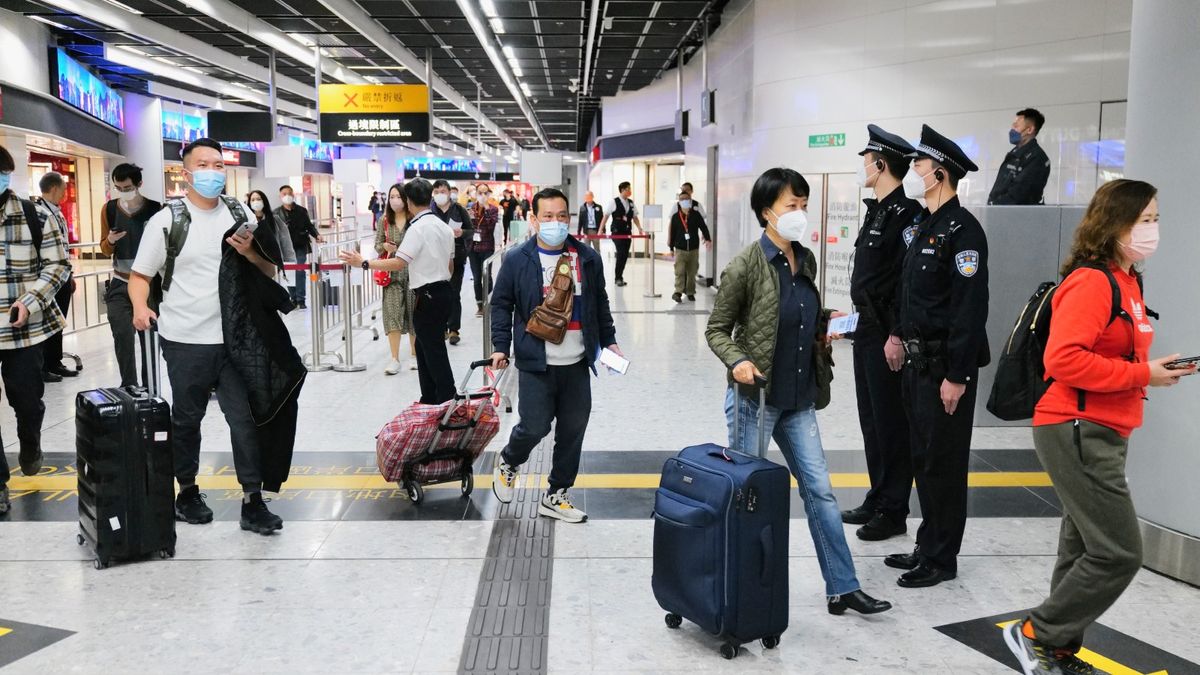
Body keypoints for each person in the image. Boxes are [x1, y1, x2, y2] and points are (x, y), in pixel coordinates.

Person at [1003, 180, 1195, 675]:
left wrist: (1154, 371)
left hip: (1105, 428)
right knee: (1119, 552)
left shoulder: (1128, 280)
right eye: (1144, 219)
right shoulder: (1093, 281)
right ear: (1114, 223)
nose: (1153, 229)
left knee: (1084, 544)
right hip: (1076, 426)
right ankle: (1033, 634)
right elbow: (1063, 360)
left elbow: (1116, 354)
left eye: (1156, 218)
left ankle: (1056, 650)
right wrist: (1140, 374)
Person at [705, 167, 892, 617]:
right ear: (767, 211)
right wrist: (739, 361)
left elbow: (797, 313)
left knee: (821, 492)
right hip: (758, 402)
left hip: (800, 397)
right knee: (748, 496)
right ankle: (738, 589)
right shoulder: (744, 266)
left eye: (804, 205)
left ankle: (842, 587)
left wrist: (828, 322)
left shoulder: (804, 260)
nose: (800, 213)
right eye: (792, 205)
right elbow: (717, 330)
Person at [131, 138, 304, 536]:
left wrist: (250, 253)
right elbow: (141, 276)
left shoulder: (238, 211)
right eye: (204, 164)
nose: (213, 171)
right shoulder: (166, 221)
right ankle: (187, 491)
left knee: (244, 419)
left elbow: (268, 270)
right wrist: (141, 307)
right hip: (185, 338)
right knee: (187, 419)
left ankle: (252, 499)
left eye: (218, 164)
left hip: (237, 338)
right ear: (186, 173)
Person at [885, 124, 990, 588]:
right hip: (914, 363)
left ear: (940, 173)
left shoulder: (964, 232)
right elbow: (910, 296)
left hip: (945, 370)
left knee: (944, 463)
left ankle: (942, 558)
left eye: (921, 164)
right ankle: (927, 543)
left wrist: (959, 375)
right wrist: (894, 335)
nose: (915, 170)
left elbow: (969, 310)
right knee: (923, 457)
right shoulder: (925, 227)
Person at [488, 187, 622, 524]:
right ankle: (509, 460)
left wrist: (610, 342)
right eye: (547, 216)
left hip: (577, 362)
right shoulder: (518, 259)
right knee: (534, 425)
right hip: (537, 362)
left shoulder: (587, 258)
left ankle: (557, 494)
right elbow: (501, 305)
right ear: (533, 219)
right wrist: (500, 346)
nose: (556, 222)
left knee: (573, 429)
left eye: (562, 216)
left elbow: (599, 303)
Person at [840, 125, 922, 542]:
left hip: (887, 333)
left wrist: (897, 334)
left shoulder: (908, 216)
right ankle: (878, 495)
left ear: (881, 164)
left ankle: (893, 509)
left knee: (891, 422)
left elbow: (906, 284)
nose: (863, 166)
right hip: (866, 328)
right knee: (871, 420)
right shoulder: (877, 210)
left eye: (866, 160)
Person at [340, 179, 456, 403]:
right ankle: (430, 398)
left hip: (428, 296)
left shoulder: (418, 228)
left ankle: (446, 400)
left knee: (432, 351)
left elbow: (398, 263)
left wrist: (364, 263)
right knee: (425, 348)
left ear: (409, 201)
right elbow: (450, 265)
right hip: (443, 292)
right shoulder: (443, 227)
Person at [0, 144, 70, 514]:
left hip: (22, 329)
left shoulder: (34, 215)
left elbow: (59, 266)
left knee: (26, 399)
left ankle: (30, 443)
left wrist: (29, 301)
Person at [100, 163, 163, 388]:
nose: (123, 191)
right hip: (120, 282)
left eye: (127, 187)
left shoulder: (157, 210)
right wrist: (110, 241)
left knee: (149, 340)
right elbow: (104, 248)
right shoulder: (109, 209)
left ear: (139, 184)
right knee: (122, 338)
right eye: (118, 187)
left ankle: (151, 388)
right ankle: (129, 386)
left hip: (148, 284)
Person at [34, 172, 79, 382]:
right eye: (62, 189)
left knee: (59, 321)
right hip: (48, 277)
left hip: (62, 275)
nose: (64, 193)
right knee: (47, 322)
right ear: (54, 188)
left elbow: (64, 247)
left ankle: (55, 361)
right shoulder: (38, 213)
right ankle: (43, 366)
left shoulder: (57, 213)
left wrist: (70, 274)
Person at [374, 183, 417, 375]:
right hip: (391, 273)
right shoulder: (385, 220)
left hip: (414, 272)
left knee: (413, 312)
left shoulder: (414, 219)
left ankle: (415, 354)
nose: (394, 200)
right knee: (392, 313)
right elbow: (377, 246)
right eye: (391, 196)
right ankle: (394, 358)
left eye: (398, 196)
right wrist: (385, 246)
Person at [429, 179, 473, 345]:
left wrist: (461, 232)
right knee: (437, 293)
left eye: (443, 191)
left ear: (449, 193)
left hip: (456, 256)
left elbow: (471, 231)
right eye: (437, 192)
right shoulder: (429, 211)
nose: (440, 195)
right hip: (434, 257)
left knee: (454, 293)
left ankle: (454, 328)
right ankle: (441, 327)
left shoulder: (459, 210)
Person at [988, 108, 1051, 205]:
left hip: (1016, 215)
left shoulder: (1037, 158)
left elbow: (1018, 195)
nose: (1011, 130)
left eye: (1016, 126)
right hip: (998, 211)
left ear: (1029, 130)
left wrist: (995, 206)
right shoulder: (1014, 154)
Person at [274, 185, 322, 309]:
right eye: (284, 194)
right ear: (280, 196)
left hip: (300, 245)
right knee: (289, 272)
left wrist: (316, 235)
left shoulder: (301, 211)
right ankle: (293, 298)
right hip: (285, 248)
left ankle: (301, 299)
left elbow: (309, 226)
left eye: (289, 193)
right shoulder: (276, 213)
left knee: (299, 271)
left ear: (293, 195)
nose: (287, 196)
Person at [666, 190, 711, 303]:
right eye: (682, 200)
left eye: (686, 199)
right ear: (679, 202)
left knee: (692, 272)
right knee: (679, 271)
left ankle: (690, 292)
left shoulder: (696, 215)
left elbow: (703, 227)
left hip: (693, 249)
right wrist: (671, 248)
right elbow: (672, 232)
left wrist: (708, 239)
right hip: (680, 249)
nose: (684, 201)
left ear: (690, 200)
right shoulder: (676, 217)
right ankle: (678, 292)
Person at [599, 181, 643, 286]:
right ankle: (618, 278)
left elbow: (635, 217)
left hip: (627, 232)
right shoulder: (614, 202)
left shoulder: (631, 203)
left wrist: (640, 228)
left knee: (624, 256)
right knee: (621, 253)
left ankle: (619, 277)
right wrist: (601, 229)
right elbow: (606, 216)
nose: (630, 191)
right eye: (628, 189)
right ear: (623, 190)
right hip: (617, 233)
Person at [469, 185, 499, 318]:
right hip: (473, 248)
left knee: (487, 276)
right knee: (476, 278)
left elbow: (491, 225)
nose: (482, 195)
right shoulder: (471, 209)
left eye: (485, 193)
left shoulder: (493, 209)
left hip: (487, 246)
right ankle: (480, 305)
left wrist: (486, 208)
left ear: (489, 194)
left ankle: (489, 303)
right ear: (476, 193)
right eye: (479, 192)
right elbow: (468, 227)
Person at [247, 190, 295, 265]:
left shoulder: (275, 220)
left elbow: (286, 245)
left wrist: (291, 264)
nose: (256, 202)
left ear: (264, 201)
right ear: (249, 203)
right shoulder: (247, 223)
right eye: (252, 200)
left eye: (259, 199)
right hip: (254, 264)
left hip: (274, 263)